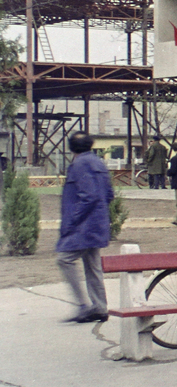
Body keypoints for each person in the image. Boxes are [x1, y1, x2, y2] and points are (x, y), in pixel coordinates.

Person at [57, 130, 114, 323]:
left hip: (82, 225)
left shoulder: (79, 164)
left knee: (64, 259)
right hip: (97, 223)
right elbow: (108, 194)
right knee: (92, 265)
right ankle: (99, 307)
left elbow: (88, 196)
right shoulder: (98, 162)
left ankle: (83, 305)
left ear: (71, 147)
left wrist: (72, 220)